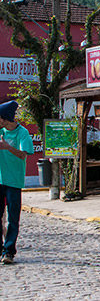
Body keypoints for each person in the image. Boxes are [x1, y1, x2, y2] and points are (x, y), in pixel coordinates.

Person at [0, 100, 33, 265]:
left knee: (13, 219)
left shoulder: (22, 133)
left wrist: (6, 147)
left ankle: (9, 251)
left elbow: (23, 155)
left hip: (14, 181)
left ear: (5, 119)